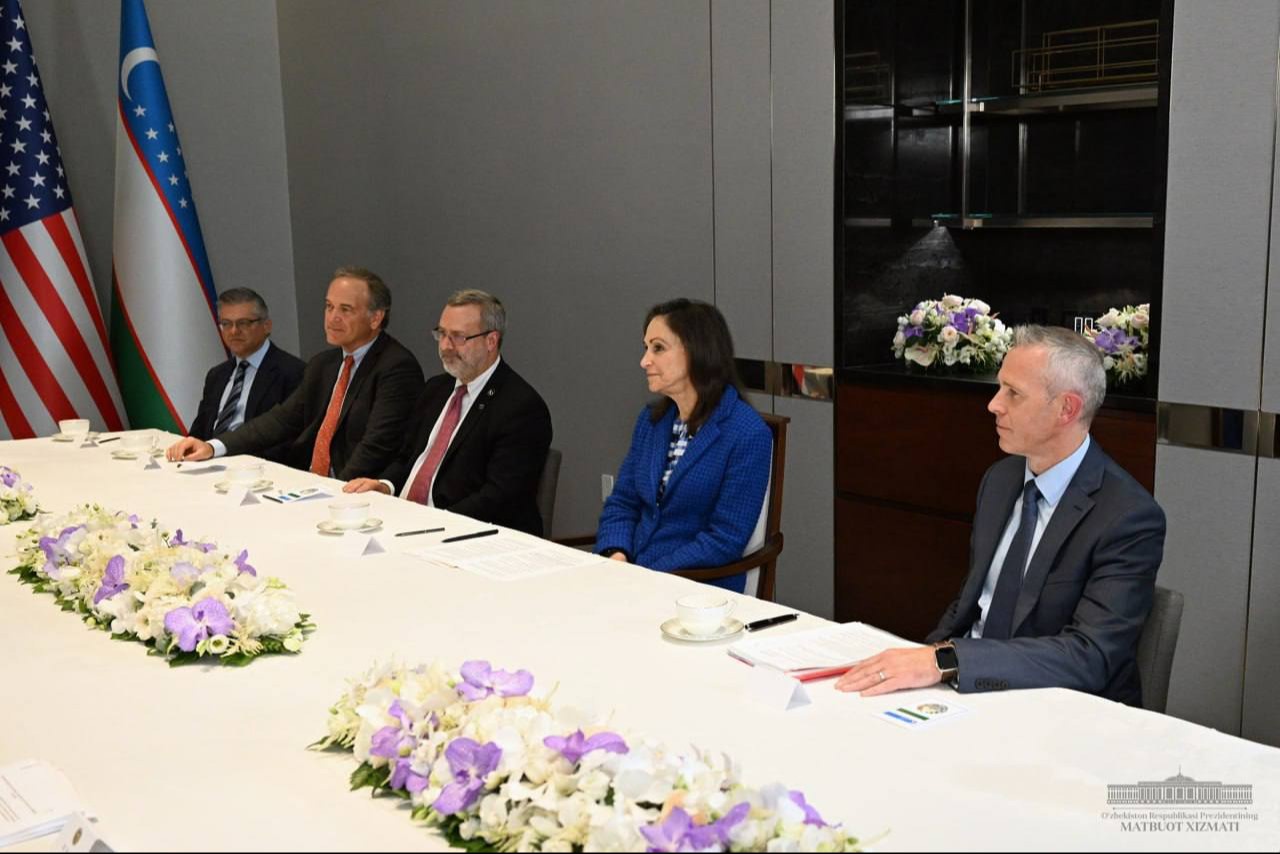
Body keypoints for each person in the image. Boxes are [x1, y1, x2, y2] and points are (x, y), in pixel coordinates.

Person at [836, 325, 1166, 706]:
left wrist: (946, 661)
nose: (994, 404)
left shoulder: (1128, 516)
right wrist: (922, 663)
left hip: (1059, 710)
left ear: (1067, 409)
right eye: (999, 388)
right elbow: (970, 604)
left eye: (1013, 393)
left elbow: (1089, 656)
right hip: (968, 691)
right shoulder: (1001, 479)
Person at [166, 266, 424, 479]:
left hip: (354, 492)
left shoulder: (396, 367)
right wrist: (214, 446)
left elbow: (377, 445)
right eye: (329, 307)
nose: (332, 318)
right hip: (311, 482)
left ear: (375, 318)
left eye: (345, 310)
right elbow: (281, 420)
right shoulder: (324, 364)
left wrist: (333, 493)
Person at [593, 298, 771, 593]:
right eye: (646, 348)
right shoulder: (651, 420)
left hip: (695, 590)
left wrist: (647, 574)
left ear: (696, 351)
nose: (644, 361)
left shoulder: (747, 433)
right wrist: (617, 555)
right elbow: (623, 502)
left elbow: (724, 539)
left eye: (658, 348)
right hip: (632, 578)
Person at [344, 290, 553, 536]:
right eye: (442, 334)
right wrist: (385, 485)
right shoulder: (436, 389)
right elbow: (408, 457)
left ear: (491, 341)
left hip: (469, 535)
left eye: (458, 337)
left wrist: (433, 523)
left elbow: (500, 496)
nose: (445, 346)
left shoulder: (521, 407)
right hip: (408, 521)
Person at [187, 288, 306, 463]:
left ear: (266, 326)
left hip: (256, 468)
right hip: (208, 463)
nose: (234, 331)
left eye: (243, 323)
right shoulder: (216, 375)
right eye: (226, 324)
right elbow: (199, 431)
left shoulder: (293, 372)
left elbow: (288, 440)